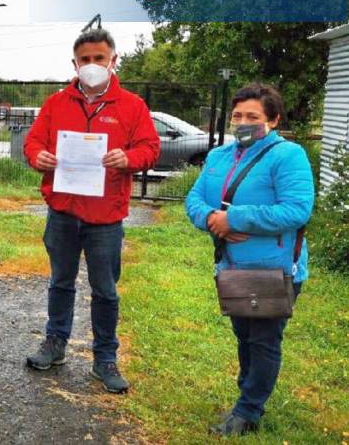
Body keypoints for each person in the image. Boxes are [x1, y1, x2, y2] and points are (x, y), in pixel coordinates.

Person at [22, 28, 160, 393]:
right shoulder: (56, 103)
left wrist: (127, 158)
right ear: (74, 63)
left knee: (105, 290)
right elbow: (34, 141)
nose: (92, 65)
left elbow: (150, 147)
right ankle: (55, 343)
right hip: (63, 212)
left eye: (100, 58)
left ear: (113, 61)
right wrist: (38, 156)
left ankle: (104, 358)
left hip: (105, 218)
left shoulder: (132, 106)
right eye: (85, 59)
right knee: (60, 282)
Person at [185, 83, 314, 436]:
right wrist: (213, 219)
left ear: (272, 120)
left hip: (273, 268)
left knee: (263, 339)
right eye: (238, 115)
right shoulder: (218, 157)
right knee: (244, 335)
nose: (243, 122)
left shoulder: (288, 156)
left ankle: (248, 412)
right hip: (231, 266)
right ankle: (248, 396)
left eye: (253, 116)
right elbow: (193, 200)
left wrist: (235, 218)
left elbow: (297, 210)